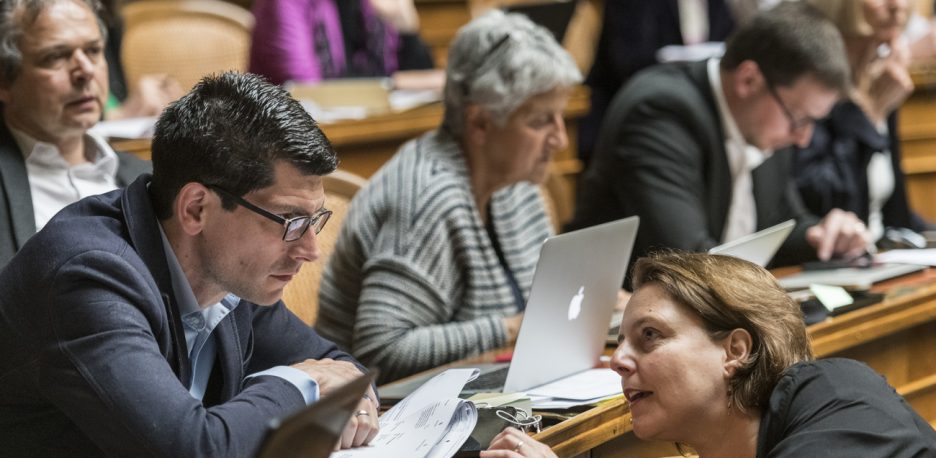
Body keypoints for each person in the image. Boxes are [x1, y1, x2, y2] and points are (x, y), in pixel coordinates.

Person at [0, 72, 379, 458]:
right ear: (196, 208)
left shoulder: (229, 270)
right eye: (289, 221)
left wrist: (343, 399)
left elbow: (340, 369)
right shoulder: (86, 277)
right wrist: (304, 385)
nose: (310, 250)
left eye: (314, 220)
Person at [482, 251, 936, 458]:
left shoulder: (843, 394)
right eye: (619, 343)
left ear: (734, 350)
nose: (617, 360)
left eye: (649, 335)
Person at [316, 10, 581, 383]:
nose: (561, 139)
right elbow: (382, 349)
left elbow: (542, 303)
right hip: (386, 406)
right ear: (479, 123)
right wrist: (512, 328)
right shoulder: (426, 196)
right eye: (540, 121)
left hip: (486, 387)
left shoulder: (516, 182)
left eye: (560, 116)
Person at [567, 2, 873, 275]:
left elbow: (779, 224)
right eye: (800, 118)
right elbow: (689, 261)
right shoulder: (660, 113)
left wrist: (820, 235)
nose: (803, 138)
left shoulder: (768, 117)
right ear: (748, 80)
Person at [0, 0, 151, 268]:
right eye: (56, 56)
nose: (86, 71)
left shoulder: (149, 175)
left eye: (93, 50)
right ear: (4, 81)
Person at [796, 0, 933, 243]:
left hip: (880, 254)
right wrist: (870, 116)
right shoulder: (811, 87)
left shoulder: (882, 80)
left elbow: (895, 215)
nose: (898, 5)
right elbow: (824, 204)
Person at [579, 0, 737, 163]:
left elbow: (731, 48)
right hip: (637, 116)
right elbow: (630, 62)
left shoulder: (716, 4)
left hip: (697, 114)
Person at [249, 0, 434, 86]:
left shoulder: (370, 6)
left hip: (363, 128)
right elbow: (304, 88)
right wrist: (391, 83)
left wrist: (407, 28)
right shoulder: (284, 3)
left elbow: (420, 78)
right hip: (287, 138)